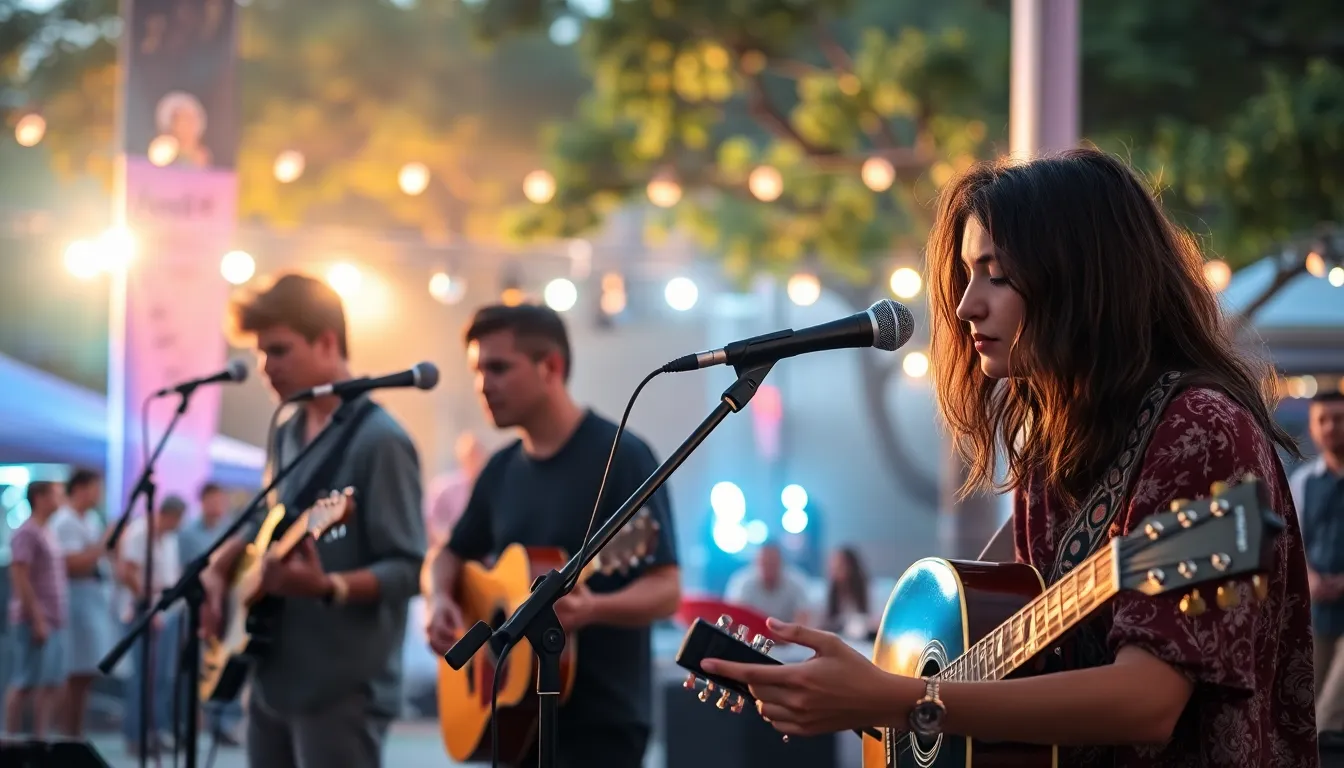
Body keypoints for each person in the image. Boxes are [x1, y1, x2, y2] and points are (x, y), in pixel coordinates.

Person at [699, 148, 1318, 767]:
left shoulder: (1200, 428)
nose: (967, 304)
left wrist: (902, 700)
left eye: (995, 273)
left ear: (1083, 277)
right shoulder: (1058, 446)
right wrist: (856, 686)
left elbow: (1147, 700)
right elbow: (989, 619)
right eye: (969, 274)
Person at [425, 303, 681, 768]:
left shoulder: (622, 457)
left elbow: (667, 589)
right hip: (509, 716)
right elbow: (449, 555)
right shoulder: (500, 470)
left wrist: (595, 608)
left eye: (499, 367)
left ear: (552, 367)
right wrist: (439, 598)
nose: (484, 384)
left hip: (601, 725)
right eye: (478, 370)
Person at [199, 273, 426, 768]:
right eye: (260, 354)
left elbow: (409, 569)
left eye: (278, 351)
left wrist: (328, 586)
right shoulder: (286, 425)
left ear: (327, 343)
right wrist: (220, 567)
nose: (265, 368)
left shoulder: (381, 440)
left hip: (342, 688)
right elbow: (266, 514)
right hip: (270, 672)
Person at [116, 494, 186, 757]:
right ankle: (135, 735)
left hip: (165, 614)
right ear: (167, 514)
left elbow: (171, 574)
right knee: (142, 676)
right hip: (142, 613)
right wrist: (147, 606)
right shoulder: (139, 533)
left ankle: (156, 731)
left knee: (160, 679)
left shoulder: (169, 538)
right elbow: (128, 572)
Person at [47, 468, 113, 738]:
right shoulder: (65, 522)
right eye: (95, 488)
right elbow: (72, 565)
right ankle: (63, 733)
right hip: (74, 603)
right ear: (80, 489)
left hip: (92, 602)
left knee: (85, 673)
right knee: (70, 673)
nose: (98, 495)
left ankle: (76, 734)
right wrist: (103, 545)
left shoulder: (90, 520)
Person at [1293, 390, 1344, 731]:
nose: (1331, 427)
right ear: (1312, 428)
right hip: (1317, 611)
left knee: (1330, 713)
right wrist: (1309, 576)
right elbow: (1291, 540)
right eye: (1322, 420)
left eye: (1339, 419)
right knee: (1307, 706)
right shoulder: (1303, 482)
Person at [3, 481, 69, 738]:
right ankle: (9, 741)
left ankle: (39, 740)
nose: (60, 499)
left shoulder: (47, 531)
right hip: (34, 620)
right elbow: (20, 576)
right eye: (56, 494)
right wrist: (37, 618)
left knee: (48, 683)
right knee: (23, 681)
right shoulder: (27, 533)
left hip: (53, 619)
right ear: (40, 498)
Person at [724, 542, 811, 624]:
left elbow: (802, 620)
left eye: (772, 562)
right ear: (756, 562)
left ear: (781, 562)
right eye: (764, 562)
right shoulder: (742, 583)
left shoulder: (796, 583)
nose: (768, 566)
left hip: (785, 637)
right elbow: (734, 616)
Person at [818, 546, 873, 640]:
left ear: (851, 567)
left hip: (864, 641)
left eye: (839, 566)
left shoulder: (869, 590)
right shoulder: (828, 593)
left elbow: (874, 622)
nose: (834, 570)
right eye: (832, 566)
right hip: (839, 640)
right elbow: (823, 624)